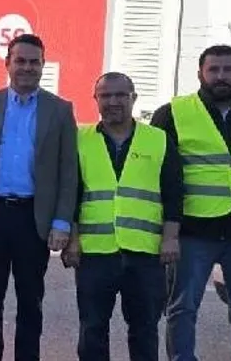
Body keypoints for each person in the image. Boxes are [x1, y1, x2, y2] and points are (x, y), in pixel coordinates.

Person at [153, 45, 231, 361]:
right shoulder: (173, 113)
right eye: (213, 69)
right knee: (182, 309)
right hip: (192, 230)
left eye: (228, 69)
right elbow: (158, 169)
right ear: (200, 74)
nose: (221, 76)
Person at [0, 33, 77, 361]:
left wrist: (62, 222)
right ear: (7, 63)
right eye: (21, 61)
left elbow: (68, 171)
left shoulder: (60, 110)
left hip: (33, 218)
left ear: (42, 65)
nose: (27, 68)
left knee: (31, 300)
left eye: (34, 62)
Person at [60, 72, 181, 361]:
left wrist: (170, 239)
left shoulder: (158, 140)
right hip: (94, 253)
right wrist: (72, 241)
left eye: (120, 95)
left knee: (144, 330)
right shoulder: (79, 139)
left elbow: (174, 194)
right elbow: (70, 193)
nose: (113, 101)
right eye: (105, 95)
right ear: (95, 99)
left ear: (133, 98)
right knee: (92, 329)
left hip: (146, 253)